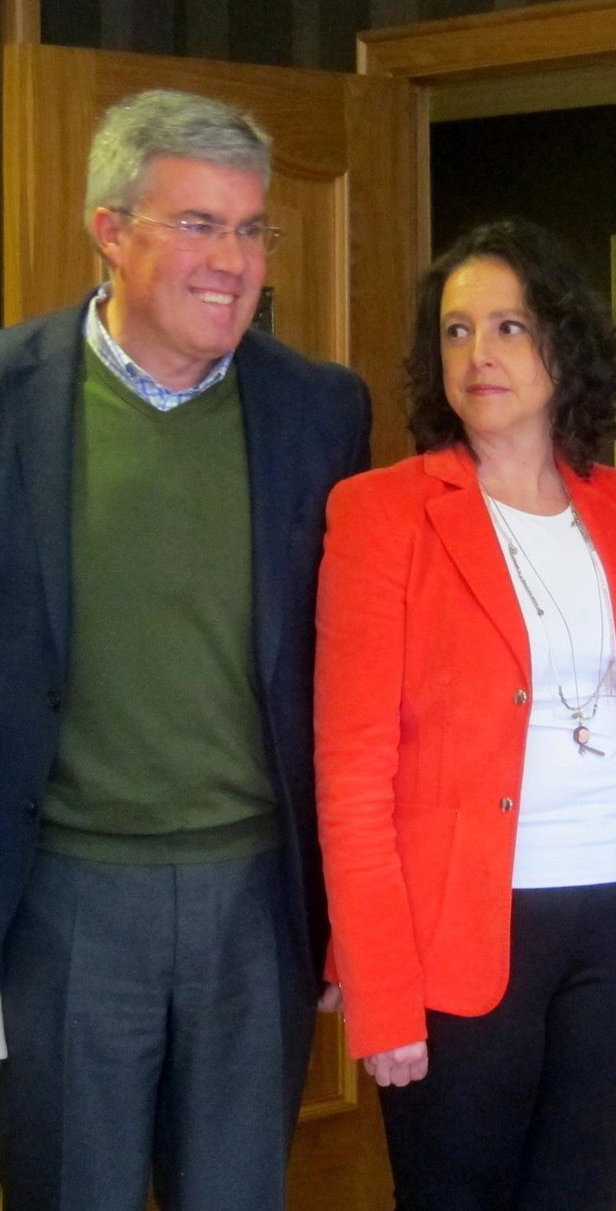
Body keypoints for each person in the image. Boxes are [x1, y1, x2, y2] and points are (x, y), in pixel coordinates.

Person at [314, 217, 616, 1211]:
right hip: (460, 920)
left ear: (563, 342)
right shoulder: (381, 512)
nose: (479, 353)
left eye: (509, 326)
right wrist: (378, 985)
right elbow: (352, 770)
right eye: (456, 330)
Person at [0, 89, 371, 1211]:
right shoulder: (10, 396)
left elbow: (351, 671)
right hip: (64, 899)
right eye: (200, 224)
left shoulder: (322, 411)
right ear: (110, 231)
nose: (235, 261)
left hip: (257, 899)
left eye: (252, 228)